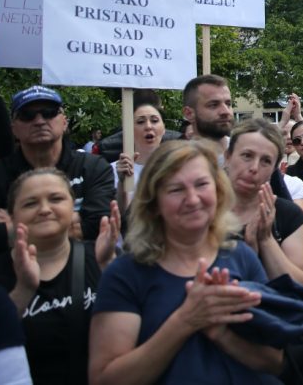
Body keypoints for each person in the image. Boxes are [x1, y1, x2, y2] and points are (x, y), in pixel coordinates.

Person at [89, 140, 283, 384]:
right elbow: (105, 379)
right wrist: (186, 320)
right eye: (176, 189)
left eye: (202, 184)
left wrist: (221, 333)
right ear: (154, 202)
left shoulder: (241, 256)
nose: (192, 199)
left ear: (218, 190)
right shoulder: (125, 274)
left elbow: (274, 361)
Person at [0, 168, 120, 385]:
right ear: (12, 217)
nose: (44, 209)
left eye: (56, 199)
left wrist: (109, 267)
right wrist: (23, 290)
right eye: (30, 203)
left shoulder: (101, 256)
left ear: (73, 207)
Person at [0, 86, 116, 257]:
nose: (39, 121)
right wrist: (73, 220)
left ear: (64, 122)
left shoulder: (94, 168)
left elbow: (99, 225)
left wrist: (14, 227)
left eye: (49, 112)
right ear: (14, 128)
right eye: (27, 115)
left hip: (82, 274)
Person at [225, 119, 303, 289]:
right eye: (247, 156)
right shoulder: (203, 207)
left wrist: (266, 240)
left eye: (266, 161)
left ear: (275, 169)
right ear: (228, 157)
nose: (254, 167)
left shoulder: (287, 214)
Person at [113, 99, 166, 213]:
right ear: (128, 130)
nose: (148, 126)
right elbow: (119, 215)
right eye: (140, 122)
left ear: (164, 128)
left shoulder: (176, 167)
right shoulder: (112, 171)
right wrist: (122, 184)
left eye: (154, 120)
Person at [181, 75, 234, 144]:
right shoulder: (180, 154)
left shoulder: (247, 149)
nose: (225, 111)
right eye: (213, 105)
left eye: (228, 104)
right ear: (189, 113)